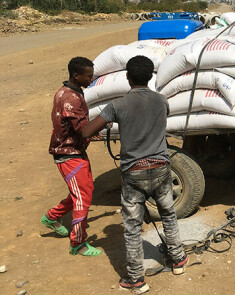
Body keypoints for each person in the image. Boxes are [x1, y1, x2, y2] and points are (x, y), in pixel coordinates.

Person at [83, 56, 187, 294]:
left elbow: (88, 130)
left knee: (132, 227)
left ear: (127, 77)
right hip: (161, 167)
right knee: (168, 215)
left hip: (134, 172)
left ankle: (136, 279)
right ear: (151, 77)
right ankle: (179, 260)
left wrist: (107, 123)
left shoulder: (117, 105)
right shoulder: (162, 101)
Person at [41, 56, 103, 257]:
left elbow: (77, 126)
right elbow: (83, 130)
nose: (91, 80)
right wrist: (102, 122)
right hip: (68, 154)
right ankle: (78, 243)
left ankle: (52, 217)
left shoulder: (66, 91)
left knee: (83, 191)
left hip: (73, 150)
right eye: (88, 76)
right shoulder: (72, 99)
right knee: (82, 199)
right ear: (76, 75)